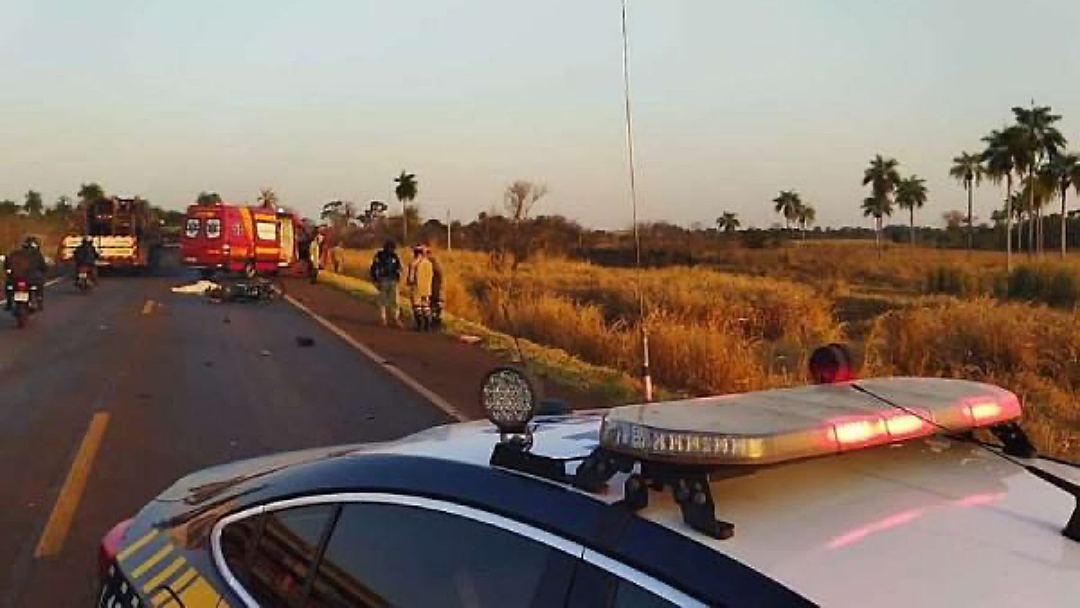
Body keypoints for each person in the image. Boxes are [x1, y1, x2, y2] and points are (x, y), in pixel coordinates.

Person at [4, 236, 48, 311]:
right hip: (30, 280)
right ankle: (39, 300)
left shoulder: (15, 253)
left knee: (9, 287)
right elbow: (43, 267)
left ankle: (9, 303)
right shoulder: (36, 254)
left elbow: (6, 265)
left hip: (16, 279)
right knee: (39, 285)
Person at [369, 240, 403, 326]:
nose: (392, 250)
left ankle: (394, 318)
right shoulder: (379, 255)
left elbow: (399, 267)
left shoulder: (394, 256)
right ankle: (383, 318)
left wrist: (399, 277)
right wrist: (375, 280)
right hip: (383, 279)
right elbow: (374, 268)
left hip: (392, 280)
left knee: (394, 301)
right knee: (383, 301)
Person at [407, 245, 435, 331]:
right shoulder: (429, 263)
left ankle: (419, 326)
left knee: (416, 306)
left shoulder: (414, 264)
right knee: (426, 306)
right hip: (427, 287)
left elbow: (411, 278)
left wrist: (409, 281)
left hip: (417, 287)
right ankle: (427, 325)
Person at [428, 247, 444, 329]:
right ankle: (434, 321)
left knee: (434, 305)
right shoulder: (435, 264)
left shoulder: (432, 264)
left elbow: (440, 277)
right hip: (433, 288)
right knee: (433, 306)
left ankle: (435, 322)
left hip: (434, 288)